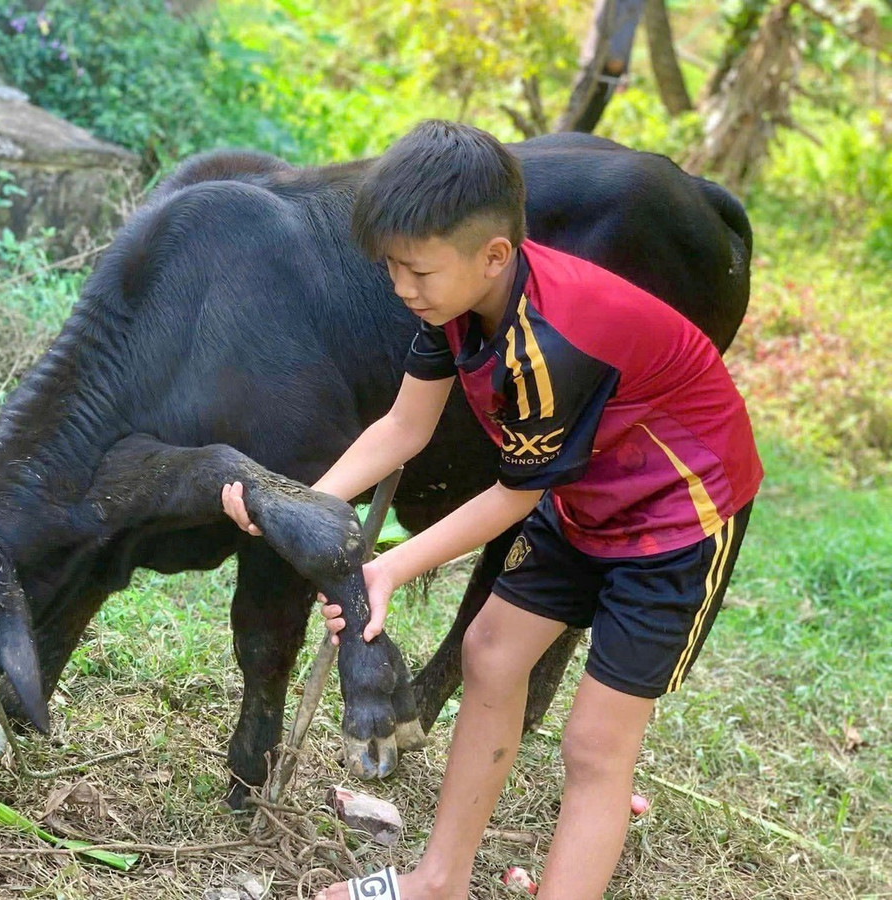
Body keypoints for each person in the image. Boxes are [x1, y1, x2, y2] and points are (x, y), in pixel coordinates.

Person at [221, 119, 762, 900]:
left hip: (675, 522)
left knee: (595, 747)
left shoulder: (549, 345)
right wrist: (300, 502)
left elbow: (518, 493)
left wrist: (391, 568)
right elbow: (404, 428)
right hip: (586, 494)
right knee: (491, 654)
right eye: (392, 269)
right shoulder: (454, 307)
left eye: (416, 271)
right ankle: (439, 880)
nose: (402, 289)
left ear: (494, 256)